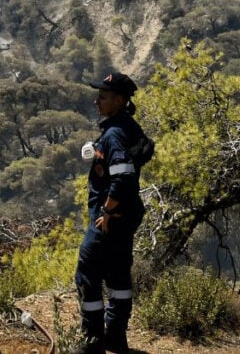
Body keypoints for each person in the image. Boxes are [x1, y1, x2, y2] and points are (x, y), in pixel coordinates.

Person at [75, 72, 149, 354]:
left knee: (87, 274)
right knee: (118, 278)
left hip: (108, 219)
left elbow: (123, 177)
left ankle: (92, 342)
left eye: (103, 97)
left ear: (119, 100)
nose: (97, 101)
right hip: (125, 218)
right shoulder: (126, 127)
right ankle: (116, 338)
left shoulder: (115, 134)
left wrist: (106, 211)